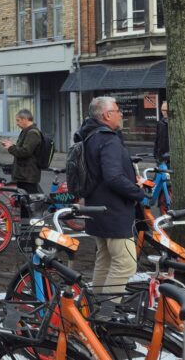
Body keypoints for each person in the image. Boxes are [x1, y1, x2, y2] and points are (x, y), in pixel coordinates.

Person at [76, 96, 145, 298]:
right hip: (114, 211)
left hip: (96, 209)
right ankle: (107, 311)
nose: (121, 114)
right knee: (125, 263)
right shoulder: (108, 139)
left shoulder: (89, 136)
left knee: (105, 260)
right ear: (107, 115)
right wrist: (138, 192)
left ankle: (95, 305)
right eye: (117, 111)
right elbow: (113, 177)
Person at [0, 110, 42, 193]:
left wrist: (11, 147)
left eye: (18, 120)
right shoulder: (26, 131)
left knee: (30, 202)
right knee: (24, 201)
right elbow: (23, 149)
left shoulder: (32, 133)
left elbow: (25, 152)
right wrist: (12, 145)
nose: (17, 123)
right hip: (24, 174)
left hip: (28, 175)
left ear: (25, 119)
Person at [153, 100, 169, 165]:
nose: (164, 112)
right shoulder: (160, 123)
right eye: (162, 110)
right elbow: (157, 140)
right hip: (161, 157)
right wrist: (156, 155)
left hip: (170, 157)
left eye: (166, 110)